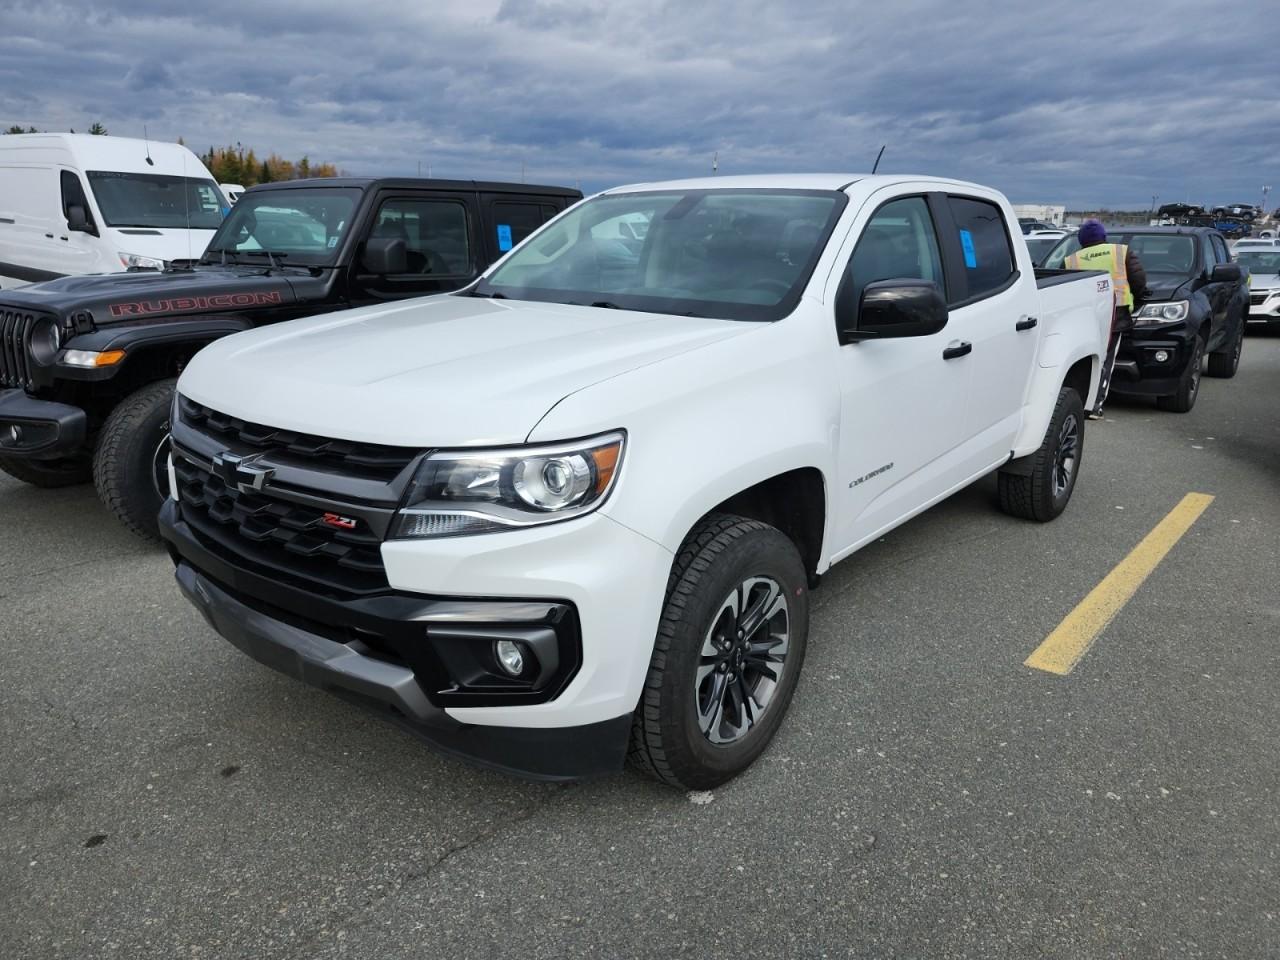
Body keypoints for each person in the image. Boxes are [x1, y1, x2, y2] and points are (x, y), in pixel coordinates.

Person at [1064, 219, 1147, 418]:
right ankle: (1095, 406)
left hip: (1082, 315)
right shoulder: (1120, 252)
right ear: (1103, 237)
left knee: (1083, 360)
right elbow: (1138, 280)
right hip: (1114, 314)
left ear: (1081, 240)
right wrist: (1140, 296)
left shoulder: (1071, 259)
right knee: (1106, 360)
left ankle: (1077, 402)